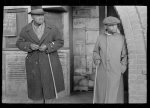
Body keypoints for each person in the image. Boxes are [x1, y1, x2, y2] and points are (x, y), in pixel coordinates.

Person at [16, 6, 65, 103]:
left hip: (49, 62)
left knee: (50, 92)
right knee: (36, 93)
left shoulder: (52, 28)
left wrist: (48, 46)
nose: (41, 17)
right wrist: (29, 45)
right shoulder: (25, 29)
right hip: (33, 65)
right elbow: (19, 43)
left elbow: (60, 42)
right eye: (38, 15)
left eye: (42, 15)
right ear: (32, 17)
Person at [93, 16, 127, 103]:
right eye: (112, 26)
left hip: (116, 70)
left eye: (115, 25)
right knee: (102, 91)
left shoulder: (121, 38)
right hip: (102, 69)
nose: (114, 27)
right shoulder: (100, 38)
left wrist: (122, 68)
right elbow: (95, 51)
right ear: (106, 27)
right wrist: (96, 58)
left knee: (114, 94)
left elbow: (124, 55)